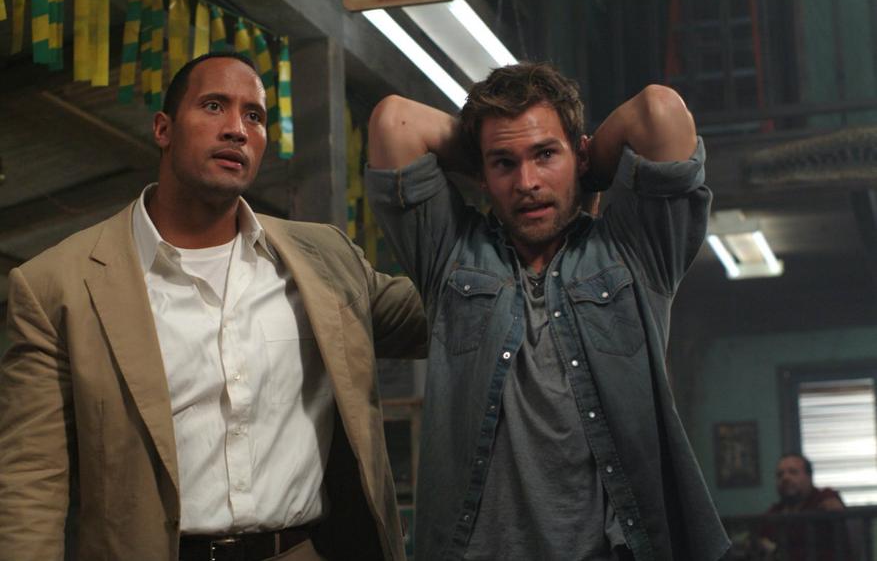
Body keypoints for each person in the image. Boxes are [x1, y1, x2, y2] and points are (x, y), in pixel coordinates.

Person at [0, 52, 426, 561]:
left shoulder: (324, 260)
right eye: (213, 106)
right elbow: (31, 480)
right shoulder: (59, 286)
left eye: (254, 115)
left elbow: (453, 313)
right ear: (163, 129)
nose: (236, 130)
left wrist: (486, 149)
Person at [365, 62, 729, 560]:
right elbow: (394, 123)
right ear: (482, 173)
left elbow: (659, 113)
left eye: (545, 154)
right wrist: (499, 159)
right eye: (505, 164)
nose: (527, 182)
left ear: (579, 152)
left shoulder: (634, 251)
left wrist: (582, 167)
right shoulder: (451, 254)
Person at [759, 453, 848, 560]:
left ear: (809, 477)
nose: (785, 478)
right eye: (780, 475)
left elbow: (834, 506)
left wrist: (833, 502)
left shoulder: (823, 498)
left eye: (793, 472)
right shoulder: (775, 512)